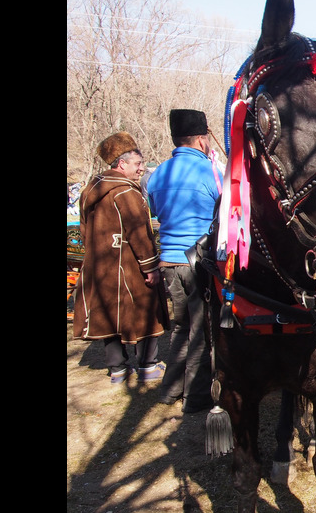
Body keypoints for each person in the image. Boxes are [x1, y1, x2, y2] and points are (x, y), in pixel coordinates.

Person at [73, 132, 168, 384]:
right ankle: (148, 365)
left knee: (108, 315)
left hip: (100, 266)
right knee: (146, 310)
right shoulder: (125, 193)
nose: (141, 169)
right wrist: (150, 267)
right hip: (128, 266)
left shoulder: (90, 191)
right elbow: (139, 234)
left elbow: (84, 230)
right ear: (121, 164)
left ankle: (118, 369)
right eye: (138, 164)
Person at [147, 109, 221, 413]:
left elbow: (154, 209)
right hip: (199, 260)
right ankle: (197, 395)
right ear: (203, 140)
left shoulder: (157, 173)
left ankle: (171, 389)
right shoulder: (210, 171)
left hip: (168, 261)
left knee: (180, 325)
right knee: (202, 328)